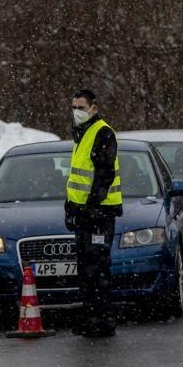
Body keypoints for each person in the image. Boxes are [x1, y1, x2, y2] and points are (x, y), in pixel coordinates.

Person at [64, 89, 122, 337]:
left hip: (99, 215)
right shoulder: (81, 135)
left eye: (81, 107)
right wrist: (71, 208)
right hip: (84, 214)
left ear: (93, 108)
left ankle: (104, 320)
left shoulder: (103, 133)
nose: (76, 111)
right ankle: (91, 318)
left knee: (97, 269)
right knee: (85, 268)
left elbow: (104, 175)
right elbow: (77, 179)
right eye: (73, 106)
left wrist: (91, 208)